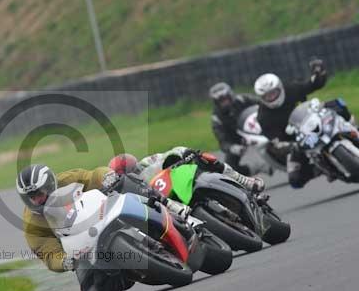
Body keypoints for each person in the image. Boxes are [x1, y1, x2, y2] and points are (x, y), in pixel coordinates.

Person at [17, 164, 133, 291]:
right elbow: (48, 253)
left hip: (102, 215)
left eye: (39, 194)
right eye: (31, 198)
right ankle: (125, 276)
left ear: (50, 185)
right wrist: (64, 262)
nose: (36, 200)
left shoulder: (67, 180)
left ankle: (160, 204)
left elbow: (93, 176)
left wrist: (107, 176)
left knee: (127, 182)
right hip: (81, 249)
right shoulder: (32, 223)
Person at [253, 58, 329, 188]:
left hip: (314, 124)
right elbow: (275, 141)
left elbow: (313, 84)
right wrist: (288, 146)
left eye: (273, 93)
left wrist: (319, 73)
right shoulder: (263, 116)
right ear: (261, 98)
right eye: (267, 96)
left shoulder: (291, 89)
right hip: (297, 143)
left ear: (280, 88)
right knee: (295, 180)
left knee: (337, 105)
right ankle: (322, 169)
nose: (271, 97)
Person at [108, 148, 265, 193]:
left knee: (203, 158)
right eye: (128, 174)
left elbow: (168, 155)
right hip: (168, 201)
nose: (133, 173)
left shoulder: (147, 162)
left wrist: (183, 155)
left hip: (178, 178)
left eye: (133, 169)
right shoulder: (129, 191)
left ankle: (244, 180)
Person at [209, 82, 261, 175]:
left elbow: (263, 105)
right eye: (221, 101)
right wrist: (232, 147)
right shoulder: (216, 118)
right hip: (238, 140)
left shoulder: (243, 99)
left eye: (225, 99)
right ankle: (258, 167)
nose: (224, 103)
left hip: (259, 129)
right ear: (216, 102)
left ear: (230, 95)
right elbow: (222, 141)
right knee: (228, 170)